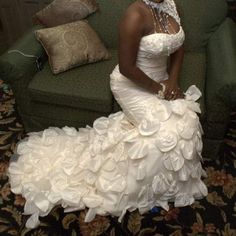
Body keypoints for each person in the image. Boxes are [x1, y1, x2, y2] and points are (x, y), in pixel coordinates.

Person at [8, 0, 208, 229]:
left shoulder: (172, 5)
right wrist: (161, 90)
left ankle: (168, 184)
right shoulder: (134, 14)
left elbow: (179, 47)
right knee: (163, 135)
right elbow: (127, 69)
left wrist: (172, 81)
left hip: (161, 79)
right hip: (134, 85)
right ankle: (141, 187)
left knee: (187, 121)